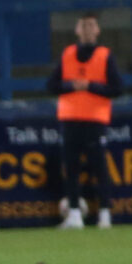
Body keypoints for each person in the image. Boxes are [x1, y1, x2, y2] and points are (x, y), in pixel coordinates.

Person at [48, 12, 123, 228]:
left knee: (100, 168)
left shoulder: (105, 56)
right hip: (70, 119)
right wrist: (72, 85)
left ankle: (105, 214)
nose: (88, 29)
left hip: (95, 120)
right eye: (84, 25)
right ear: (77, 30)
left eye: (91, 25)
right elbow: (51, 85)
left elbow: (117, 88)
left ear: (98, 30)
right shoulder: (68, 54)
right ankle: (74, 214)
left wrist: (90, 86)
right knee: (71, 168)